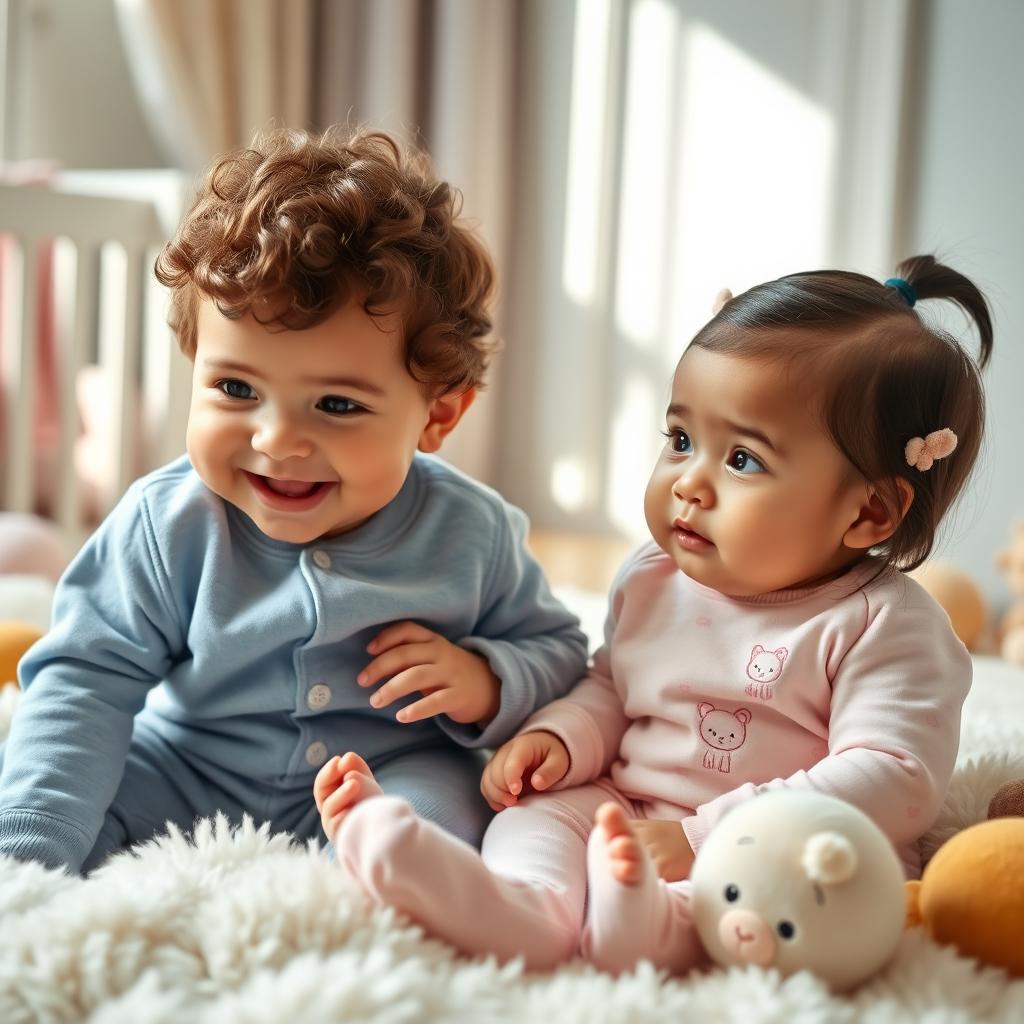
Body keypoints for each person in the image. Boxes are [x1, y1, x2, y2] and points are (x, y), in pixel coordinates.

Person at [314, 255, 991, 974]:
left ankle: (645, 927)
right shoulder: (656, 576)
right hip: (626, 804)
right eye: (680, 440)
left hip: (772, 847)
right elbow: (615, 685)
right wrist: (563, 737)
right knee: (540, 817)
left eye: (744, 461)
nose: (689, 484)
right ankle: (519, 905)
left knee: (776, 897)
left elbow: (893, 776)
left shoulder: (885, 625)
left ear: (870, 510)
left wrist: (706, 837)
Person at [0, 127, 589, 874]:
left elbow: (562, 652)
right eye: (236, 389)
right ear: (194, 362)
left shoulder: (471, 531)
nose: (277, 441)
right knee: (61, 792)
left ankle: (378, 906)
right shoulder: (167, 522)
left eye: (337, 405)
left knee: (441, 827)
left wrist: (485, 678)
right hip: (188, 766)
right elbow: (85, 679)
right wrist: (29, 855)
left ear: (438, 415)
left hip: (389, 772)